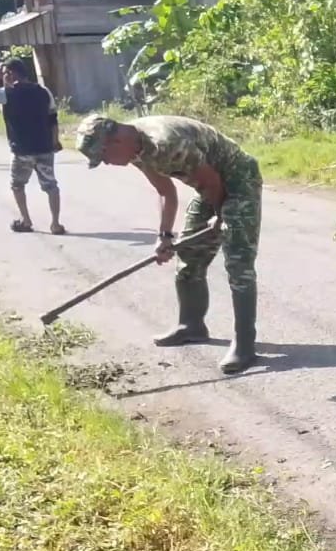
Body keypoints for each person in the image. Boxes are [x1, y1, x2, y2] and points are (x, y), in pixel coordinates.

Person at [75, 115, 262, 374]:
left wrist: (221, 215)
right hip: (209, 185)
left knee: (238, 263)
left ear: (115, 141)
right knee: (188, 256)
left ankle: (245, 344)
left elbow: (212, 181)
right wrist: (164, 236)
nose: (106, 163)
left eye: (104, 156)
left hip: (239, 180)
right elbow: (165, 191)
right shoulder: (136, 149)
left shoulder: (165, 144)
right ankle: (191, 326)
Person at [0, 58, 65, 235]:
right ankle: (55, 224)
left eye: (5, 73)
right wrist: (55, 142)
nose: (3, 77)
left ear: (11, 74)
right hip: (45, 148)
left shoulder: (7, 94)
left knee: (17, 185)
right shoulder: (43, 91)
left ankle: (26, 220)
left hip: (22, 150)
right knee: (51, 186)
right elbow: (53, 119)